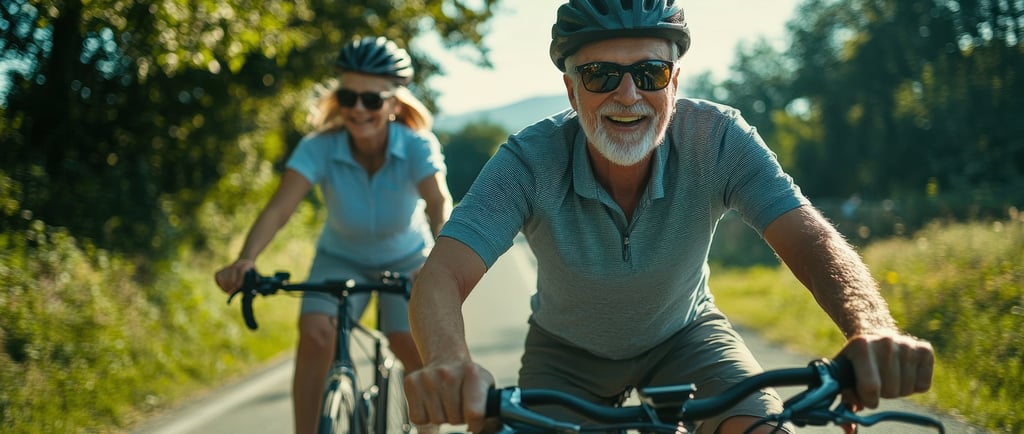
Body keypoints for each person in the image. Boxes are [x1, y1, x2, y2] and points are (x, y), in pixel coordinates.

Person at [402, 1, 935, 433]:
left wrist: (871, 329)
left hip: (687, 336)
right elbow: (441, 276)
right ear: (571, 90)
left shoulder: (720, 139)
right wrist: (449, 363)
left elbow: (809, 239)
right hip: (566, 356)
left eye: (650, 73)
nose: (628, 95)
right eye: (601, 74)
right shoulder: (528, 159)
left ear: (674, 83)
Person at [214, 36, 452, 434]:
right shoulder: (319, 146)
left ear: (394, 104)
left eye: (372, 100)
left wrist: (435, 263)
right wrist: (246, 259)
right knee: (315, 334)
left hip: (409, 257)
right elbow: (279, 207)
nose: (358, 109)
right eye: (348, 97)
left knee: (405, 340)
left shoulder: (417, 145)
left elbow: (438, 204)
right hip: (341, 257)